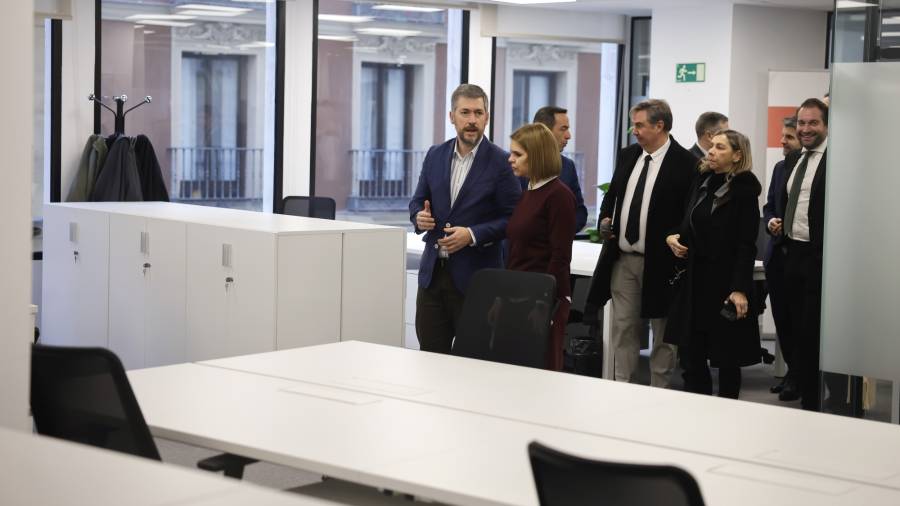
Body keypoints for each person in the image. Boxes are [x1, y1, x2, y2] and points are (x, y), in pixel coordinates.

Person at [584, 99, 696, 387]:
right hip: (623, 259)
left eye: (639, 125)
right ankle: (623, 383)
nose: (633, 130)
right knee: (623, 327)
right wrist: (605, 219)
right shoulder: (628, 156)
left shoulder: (686, 164)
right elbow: (612, 197)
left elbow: (689, 214)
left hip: (663, 263)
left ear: (660, 126)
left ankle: (660, 387)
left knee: (662, 331)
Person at [409, 84, 522, 353]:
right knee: (430, 359)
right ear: (452, 116)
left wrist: (472, 234)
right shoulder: (435, 154)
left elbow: (514, 219)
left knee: (473, 363)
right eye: (465, 112)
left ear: (487, 117)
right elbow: (416, 200)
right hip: (432, 277)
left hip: (477, 280)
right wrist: (419, 217)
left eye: (478, 113)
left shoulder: (502, 163)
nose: (472, 120)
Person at [665, 130, 762, 398]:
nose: (711, 151)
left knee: (727, 358)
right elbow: (690, 222)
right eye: (712, 146)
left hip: (725, 283)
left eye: (720, 147)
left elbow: (746, 244)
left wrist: (740, 288)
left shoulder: (744, 190)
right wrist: (673, 237)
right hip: (695, 280)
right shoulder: (703, 180)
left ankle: (727, 413)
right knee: (691, 355)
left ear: (737, 155)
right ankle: (697, 409)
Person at [769, 98, 829, 410]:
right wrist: (773, 222)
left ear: (826, 125)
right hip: (788, 253)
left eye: (813, 123)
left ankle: (812, 399)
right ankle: (800, 381)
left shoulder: (837, 160)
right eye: (802, 123)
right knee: (790, 326)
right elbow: (776, 205)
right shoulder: (792, 161)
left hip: (821, 258)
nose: (806, 129)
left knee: (811, 331)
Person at [506, 123, 577, 371]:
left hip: (544, 297)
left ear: (536, 155)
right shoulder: (529, 191)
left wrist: (542, 304)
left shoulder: (559, 195)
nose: (510, 159)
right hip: (519, 291)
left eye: (518, 154)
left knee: (542, 368)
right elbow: (517, 249)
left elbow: (560, 257)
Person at [763, 116, 802, 398]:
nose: (782, 142)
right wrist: (771, 222)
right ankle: (793, 371)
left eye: (788, 137)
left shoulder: (819, 170)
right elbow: (769, 206)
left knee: (800, 321)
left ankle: (799, 377)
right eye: (783, 135)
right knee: (783, 321)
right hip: (778, 256)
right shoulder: (780, 168)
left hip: (801, 258)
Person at [531, 106, 588, 232]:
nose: (568, 136)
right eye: (563, 129)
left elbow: (580, 212)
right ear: (544, 131)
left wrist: (560, 233)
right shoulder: (515, 165)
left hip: (556, 249)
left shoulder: (568, 166)